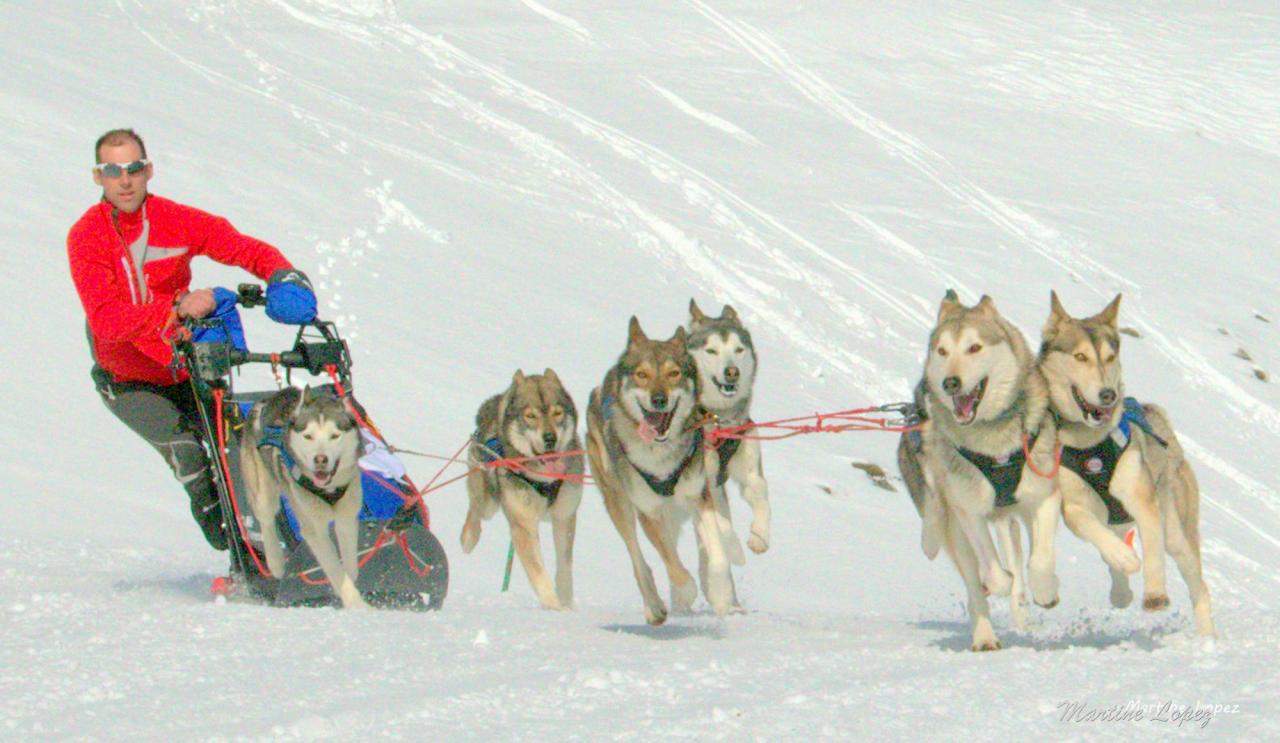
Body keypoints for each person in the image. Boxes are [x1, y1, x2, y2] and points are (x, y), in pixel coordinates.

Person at [67, 128, 316, 551]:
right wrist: (176, 311)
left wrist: (282, 275)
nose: (124, 181)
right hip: (129, 381)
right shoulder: (87, 236)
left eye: (132, 169)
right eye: (112, 170)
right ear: (98, 177)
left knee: (245, 449)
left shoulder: (172, 219)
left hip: (185, 364)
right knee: (190, 452)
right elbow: (108, 320)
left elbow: (235, 245)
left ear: (148, 171)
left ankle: (290, 545)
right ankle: (233, 548)